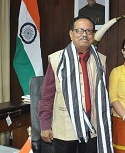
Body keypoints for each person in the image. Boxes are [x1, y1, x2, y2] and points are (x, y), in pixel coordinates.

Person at [38, 15, 113, 153]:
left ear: (93, 35)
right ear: (71, 34)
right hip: (65, 127)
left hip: (93, 127)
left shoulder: (101, 61)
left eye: (89, 31)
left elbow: (106, 93)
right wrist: (45, 125)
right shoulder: (57, 60)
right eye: (79, 30)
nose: (84, 34)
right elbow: (47, 96)